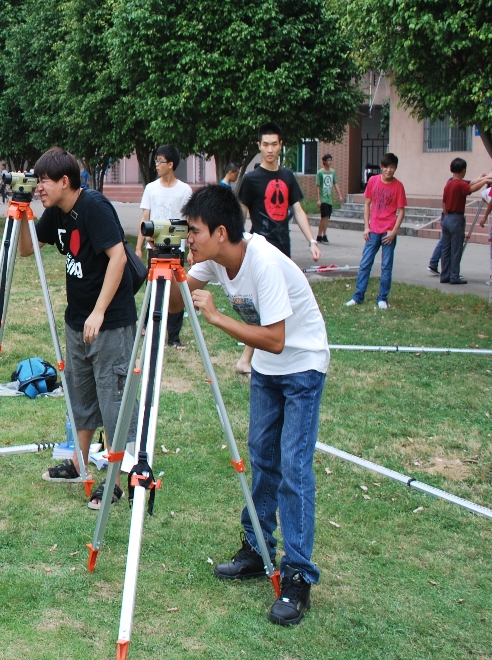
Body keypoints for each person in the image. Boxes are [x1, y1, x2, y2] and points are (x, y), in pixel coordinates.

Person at [174, 184, 329, 626]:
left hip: (301, 364)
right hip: (268, 368)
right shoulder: (212, 259)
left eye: (194, 232)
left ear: (221, 232)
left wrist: (217, 317)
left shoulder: (261, 263)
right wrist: (164, 265)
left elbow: (277, 340)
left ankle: (297, 577)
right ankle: (258, 550)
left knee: (293, 467)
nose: (190, 239)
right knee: (262, 457)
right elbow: (172, 299)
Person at [19, 147, 137, 511]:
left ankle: (116, 478)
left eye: (44, 181)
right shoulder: (54, 213)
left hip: (110, 321)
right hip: (77, 319)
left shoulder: (94, 208)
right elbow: (26, 250)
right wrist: (23, 212)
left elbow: (118, 256)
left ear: (64, 181)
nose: (40, 187)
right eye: (37, 181)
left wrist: (100, 312)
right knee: (80, 395)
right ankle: (79, 462)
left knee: (112, 400)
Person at [236, 122, 320, 374]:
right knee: (267, 307)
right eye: (265, 144)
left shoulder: (287, 176)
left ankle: (258, 355)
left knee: (280, 305)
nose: (270, 149)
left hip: (283, 251)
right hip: (260, 250)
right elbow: (240, 214)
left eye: (274, 144)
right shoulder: (250, 180)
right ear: (259, 146)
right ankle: (246, 359)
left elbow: (298, 210)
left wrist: (312, 241)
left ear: (281, 145)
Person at [136, 144, 192, 348]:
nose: (157, 165)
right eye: (156, 161)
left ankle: (174, 337)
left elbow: (189, 221)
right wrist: (140, 246)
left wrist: (192, 250)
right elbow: (145, 218)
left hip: (177, 249)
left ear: (171, 164)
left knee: (176, 294)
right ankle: (148, 328)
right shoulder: (151, 188)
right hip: (155, 249)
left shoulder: (185, 190)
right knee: (153, 291)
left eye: (160, 161)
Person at [343, 153, 407, 310]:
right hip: (373, 230)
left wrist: (394, 231)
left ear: (395, 168)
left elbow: (401, 211)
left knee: (386, 266)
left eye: (392, 167)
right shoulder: (373, 181)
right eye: (386, 167)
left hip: (388, 231)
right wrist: (367, 226)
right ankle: (358, 296)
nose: (389, 170)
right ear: (382, 167)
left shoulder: (398, 186)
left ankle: (382, 298)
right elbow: (367, 204)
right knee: (365, 263)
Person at [433, 159, 492, 285]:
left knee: (446, 249)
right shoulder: (460, 184)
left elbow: (444, 202)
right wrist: (486, 181)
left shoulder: (448, 184)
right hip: (456, 218)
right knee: (456, 249)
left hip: (447, 217)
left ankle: (445, 275)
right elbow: (471, 188)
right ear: (464, 171)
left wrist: (446, 216)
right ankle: (454, 276)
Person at [315, 154, 342, 244]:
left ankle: (319, 236)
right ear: (324, 162)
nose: (330, 162)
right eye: (328, 160)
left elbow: (335, 183)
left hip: (329, 198)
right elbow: (318, 186)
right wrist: (318, 199)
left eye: (331, 160)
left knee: (326, 218)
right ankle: (324, 235)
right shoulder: (320, 173)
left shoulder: (332, 172)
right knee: (324, 217)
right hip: (323, 199)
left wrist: (340, 195)